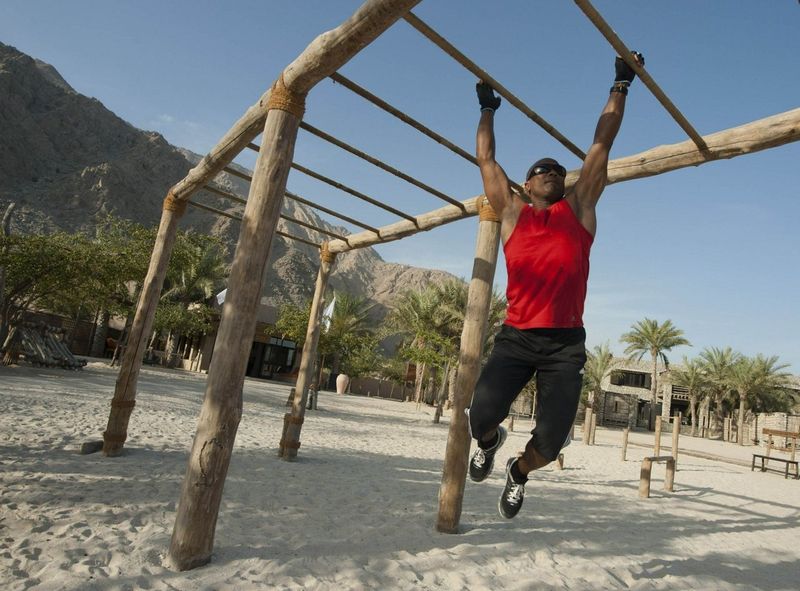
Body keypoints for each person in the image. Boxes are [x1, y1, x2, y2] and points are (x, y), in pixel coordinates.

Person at [468, 51, 644, 519]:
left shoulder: (579, 209)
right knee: (479, 417)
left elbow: (601, 145)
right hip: (517, 337)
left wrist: (620, 84)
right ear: (525, 185)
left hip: (565, 344)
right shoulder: (511, 214)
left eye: (558, 170)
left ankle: (519, 472)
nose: (551, 171)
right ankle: (489, 442)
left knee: (550, 442)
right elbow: (485, 157)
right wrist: (487, 108)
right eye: (541, 169)